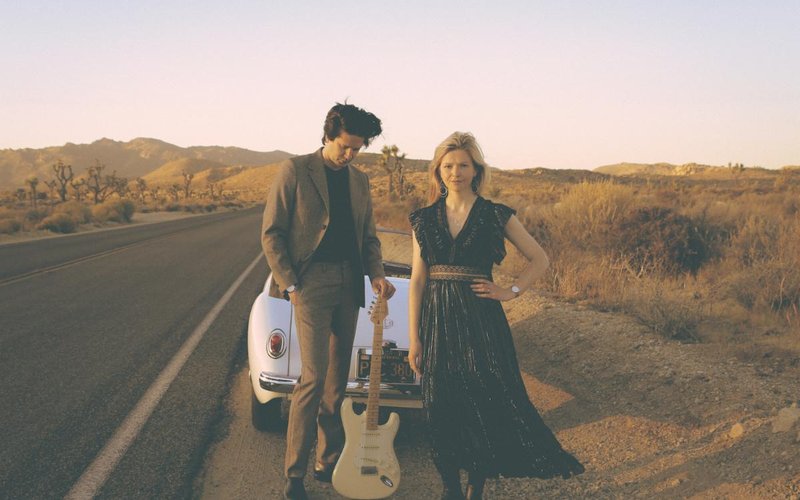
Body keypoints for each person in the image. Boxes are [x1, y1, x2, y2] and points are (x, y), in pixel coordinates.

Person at [407, 132, 584, 499]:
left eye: (463, 165)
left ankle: (475, 488)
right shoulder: (423, 220)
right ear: (438, 170)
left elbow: (540, 259)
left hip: (480, 320)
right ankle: (450, 489)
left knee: (481, 403)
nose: (455, 172)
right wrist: (414, 338)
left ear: (476, 170)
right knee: (440, 405)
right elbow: (418, 281)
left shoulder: (494, 214)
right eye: (448, 165)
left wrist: (510, 291)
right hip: (437, 320)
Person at [262, 102, 396, 500]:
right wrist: (291, 285)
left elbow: (369, 236)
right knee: (312, 378)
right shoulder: (295, 170)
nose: (350, 154)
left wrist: (377, 274)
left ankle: (327, 460)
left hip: (349, 283)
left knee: (337, 384)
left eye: (357, 148)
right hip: (311, 284)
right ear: (328, 136)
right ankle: (294, 474)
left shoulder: (360, 181)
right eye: (344, 146)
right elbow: (272, 233)